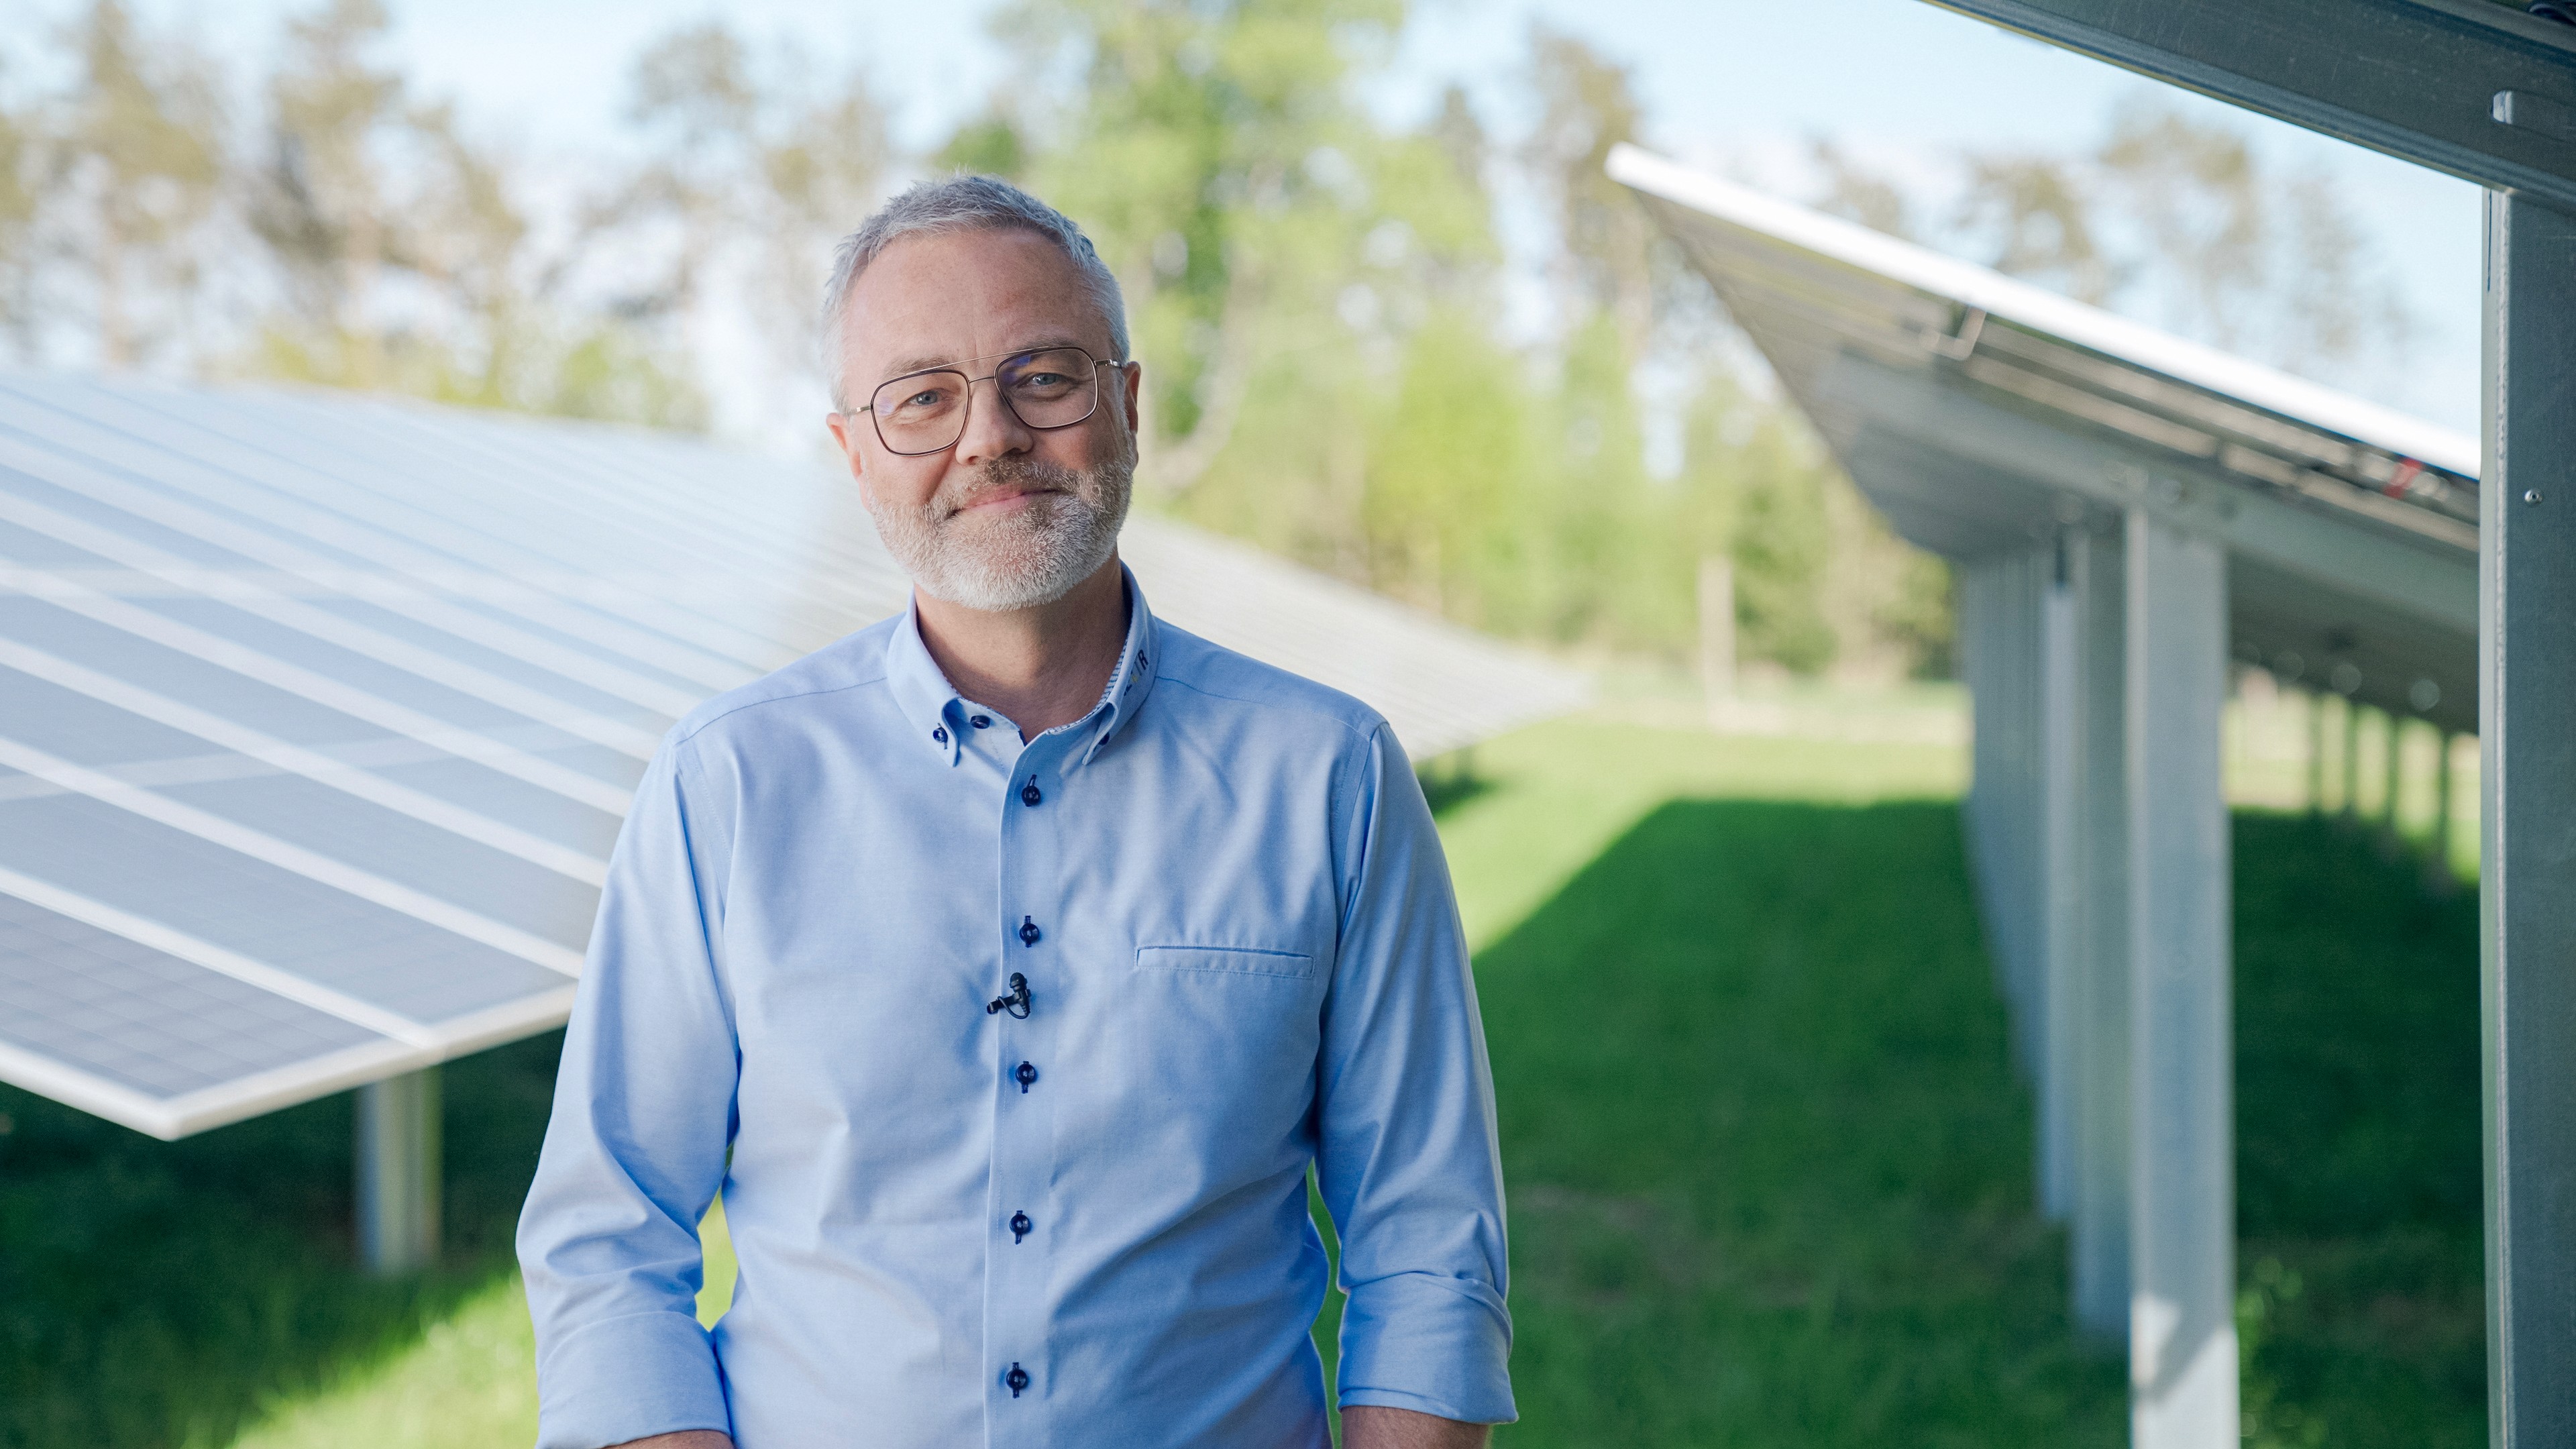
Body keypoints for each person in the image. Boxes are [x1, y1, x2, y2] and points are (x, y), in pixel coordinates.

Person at [517, 176, 1513, 1449]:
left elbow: (1427, 1241)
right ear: (854, 456)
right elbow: (607, 1238)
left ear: (1129, 408)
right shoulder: (728, 788)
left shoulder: (1331, 776)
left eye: (1043, 376)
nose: (989, 435)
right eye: (923, 396)